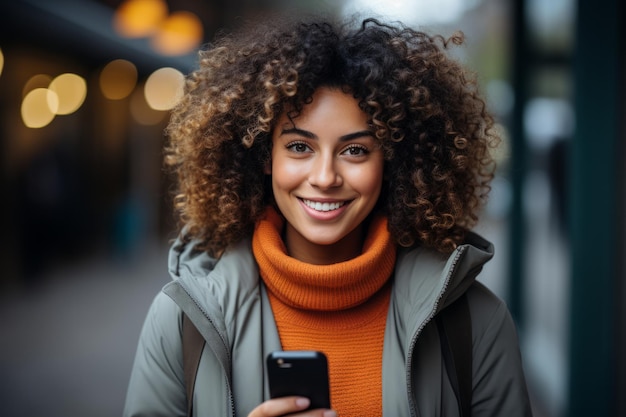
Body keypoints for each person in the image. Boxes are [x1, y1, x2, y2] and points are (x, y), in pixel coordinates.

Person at [123, 14, 533, 417]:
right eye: (300, 147)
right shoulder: (183, 320)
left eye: (355, 150)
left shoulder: (473, 322)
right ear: (265, 156)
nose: (324, 178)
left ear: (392, 161)